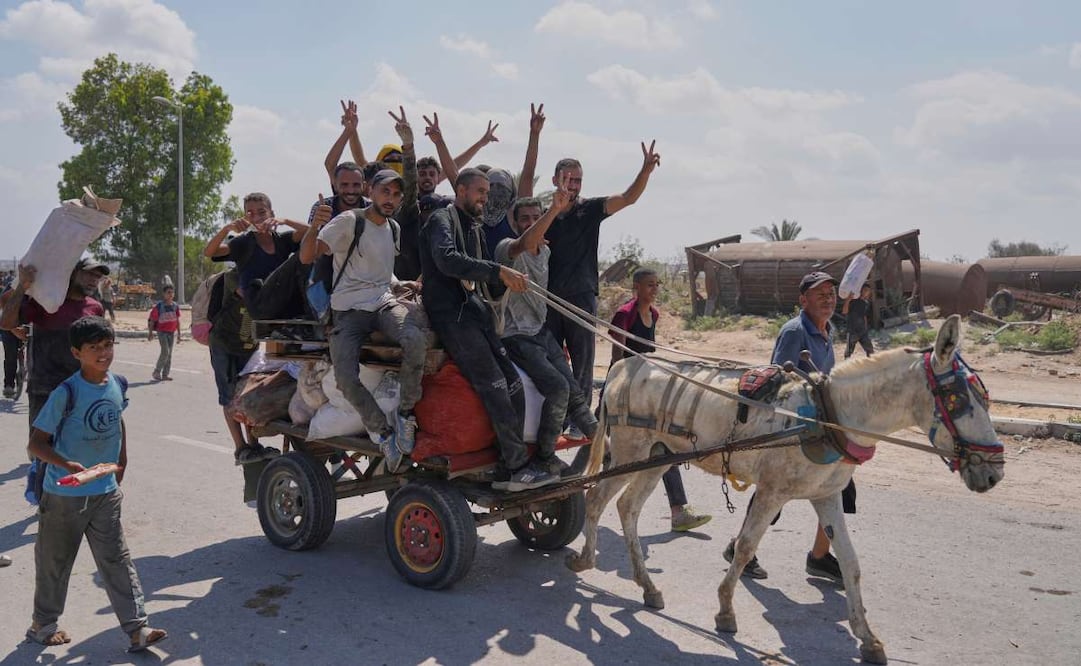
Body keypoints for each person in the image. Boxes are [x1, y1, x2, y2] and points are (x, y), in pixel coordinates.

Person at [25, 315, 167, 652]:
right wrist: (65, 464)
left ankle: (137, 629)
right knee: (55, 563)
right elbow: (36, 444)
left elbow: (118, 420)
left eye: (107, 346)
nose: (103, 353)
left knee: (117, 561)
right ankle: (42, 624)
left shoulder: (117, 383)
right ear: (77, 352)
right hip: (64, 495)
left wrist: (123, 460)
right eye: (94, 348)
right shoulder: (67, 392)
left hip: (105, 493)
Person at [419, 167, 555, 492]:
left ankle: (511, 459)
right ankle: (516, 465)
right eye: (480, 192)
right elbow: (448, 260)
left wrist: (503, 280)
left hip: (473, 310)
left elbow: (482, 279)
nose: (485, 198)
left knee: (512, 382)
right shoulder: (442, 220)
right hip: (449, 314)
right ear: (462, 191)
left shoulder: (475, 227)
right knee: (493, 385)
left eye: (486, 193)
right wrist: (499, 272)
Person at [723, 271, 853, 583]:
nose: (827, 298)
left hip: (818, 424)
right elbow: (778, 380)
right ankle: (741, 548)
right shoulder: (795, 332)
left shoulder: (827, 329)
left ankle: (820, 557)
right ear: (802, 300)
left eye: (831, 293)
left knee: (841, 484)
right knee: (774, 495)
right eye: (819, 294)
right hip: (792, 426)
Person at [300, 167, 427, 471]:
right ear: (370, 190)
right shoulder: (349, 221)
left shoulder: (393, 228)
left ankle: (406, 413)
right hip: (349, 309)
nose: (391, 198)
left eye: (396, 194)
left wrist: (399, 283)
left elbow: (378, 271)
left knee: (415, 339)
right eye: (385, 191)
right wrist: (314, 227)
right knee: (345, 378)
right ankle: (382, 432)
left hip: (383, 303)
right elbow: (307, 257)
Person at [543, 142, 662, 434]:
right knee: (552, 362)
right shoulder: (543, 216)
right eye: (567, 179)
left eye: (578, 180)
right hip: (548, 299)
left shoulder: (590, 209)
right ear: (555, 180)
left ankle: (579, 422)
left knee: (583, 364)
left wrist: (645, 171)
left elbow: (628, 197)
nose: (573, 184)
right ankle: (556, 418)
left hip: (581, 298)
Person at [495, 188, 599, 477]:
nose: (530, 223)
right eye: (524, 219)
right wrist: (554, 210)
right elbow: (525, 242)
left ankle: (602, 439)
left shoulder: (547, 251)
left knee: (575, 391)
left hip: (540, 332)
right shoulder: (507, 247)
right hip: (516, 335)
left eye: (535, 217)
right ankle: (544, 455)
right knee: (558, 388)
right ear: (515, 224)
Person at [609, 268, 714, 532]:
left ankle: (678, 510)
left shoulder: (653, 315)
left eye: (656, 285)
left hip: (647, 392)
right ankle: (677, 510)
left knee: (662, 448)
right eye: (648, 285)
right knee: (654, 450)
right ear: (636, 287)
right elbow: (617, 359)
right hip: (627, 391)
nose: (654, 290)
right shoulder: (625, 314)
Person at [0, 259, 107, 428]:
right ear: (73, 273)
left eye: (98, 276)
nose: (94, 280)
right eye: (89, 274)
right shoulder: (47, 302)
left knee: (76, 448)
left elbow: (100, 350)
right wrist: (22, 286)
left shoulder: (96, 308)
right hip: (45, 390)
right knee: (42, 449)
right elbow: (6, 323)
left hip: (81, 389)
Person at [208, 268, 278, 465]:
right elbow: (244, 292)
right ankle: (240, 447)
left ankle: (253, 443)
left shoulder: (265, 272)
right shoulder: (233, 276)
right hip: (224, 345)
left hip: (248, 346)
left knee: (246, 394)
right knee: (229, 395)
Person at [203, 193, 310, 303]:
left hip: (281, 299)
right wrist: (226, 229)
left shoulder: (282, 240)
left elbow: (311, 231)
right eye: (251, 214)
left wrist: (286, 221)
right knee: (299, 259)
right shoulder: (243, 243)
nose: (257, 218)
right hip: (257, 303)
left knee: (306, 255)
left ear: (271, 214)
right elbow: (209, 252)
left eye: (262, 212)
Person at [148, 285, 182, 381]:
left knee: (169, 354)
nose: (171, 294)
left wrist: (179, 334)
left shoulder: (175, 306)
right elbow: (153, 321)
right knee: (165, 352)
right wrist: (150, 333)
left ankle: (165, 375)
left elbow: (177, 321)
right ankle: (156, 371)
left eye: (172, 292)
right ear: (164, 294)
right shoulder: (159, 306)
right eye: (168, 292)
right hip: (162, 332)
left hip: (171, 333)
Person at [843, 284, 874, 359]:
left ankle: (872, 366)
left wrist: (866, 328)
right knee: (848, 353)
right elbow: (844, 311)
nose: (866, 292)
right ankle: (847, 367)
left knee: (870, 351)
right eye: (865, 290)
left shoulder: (866, 303)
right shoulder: (853, 300)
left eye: (868, 291)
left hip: (863, 331)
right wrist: (848, 300)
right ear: (861, 290)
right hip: (852, 330)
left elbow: (864, 316)